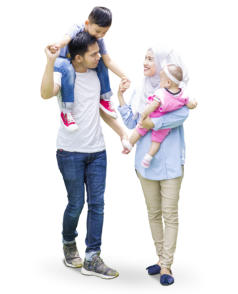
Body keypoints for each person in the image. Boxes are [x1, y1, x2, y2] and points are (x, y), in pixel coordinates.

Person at [41, 31, 128, 279]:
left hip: (97, 152)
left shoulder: (97, 77)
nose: (99, 57)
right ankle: (69, 242)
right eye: (93, 54)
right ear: (77, 58)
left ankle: (92, 257)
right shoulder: (65, 75)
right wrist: (49, 62)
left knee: (97, 205)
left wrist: (122, 132)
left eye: (98, 52)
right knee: (76, 203)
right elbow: (45, 93)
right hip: (69, 152)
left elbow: (101, 111)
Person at [118, 46, 197, 285]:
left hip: (171, 163)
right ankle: (161, 259)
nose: (144, 62)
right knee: (153, 213)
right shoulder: (141, 91)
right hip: (145, 164)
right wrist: (121, 96)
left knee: (170, 215)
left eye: (150, 59)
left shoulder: (176, 93)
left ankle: (166, 266)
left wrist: (152, 122)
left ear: (163, 64)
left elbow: (181, 116)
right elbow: (133, 120)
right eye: (144, 57)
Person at [49, 6, 130, 131]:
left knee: (101, 61)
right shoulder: (77, 28)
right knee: (67, 68)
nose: (100, 35)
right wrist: (57, 45)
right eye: (98, 31)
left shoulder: (99, 39)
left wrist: (124, 76)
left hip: (79, 62)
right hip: (63, 61)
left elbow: (108, 61)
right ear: (87, 23)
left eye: (104, 32)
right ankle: (66, 111)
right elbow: (66, 39)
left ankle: (105, 99)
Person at [122, 64, 197, 168]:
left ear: (168, 82)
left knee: (139, 130)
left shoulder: (162, 93)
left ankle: (130, 144)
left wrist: (144, 115)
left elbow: (153, 106)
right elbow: (189, 104)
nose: (160, 82)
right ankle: (148, 157)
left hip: (153, 116)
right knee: (157, 140)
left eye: (161, 79)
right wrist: (194, 104)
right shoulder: (182, 94)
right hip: (165, 125)